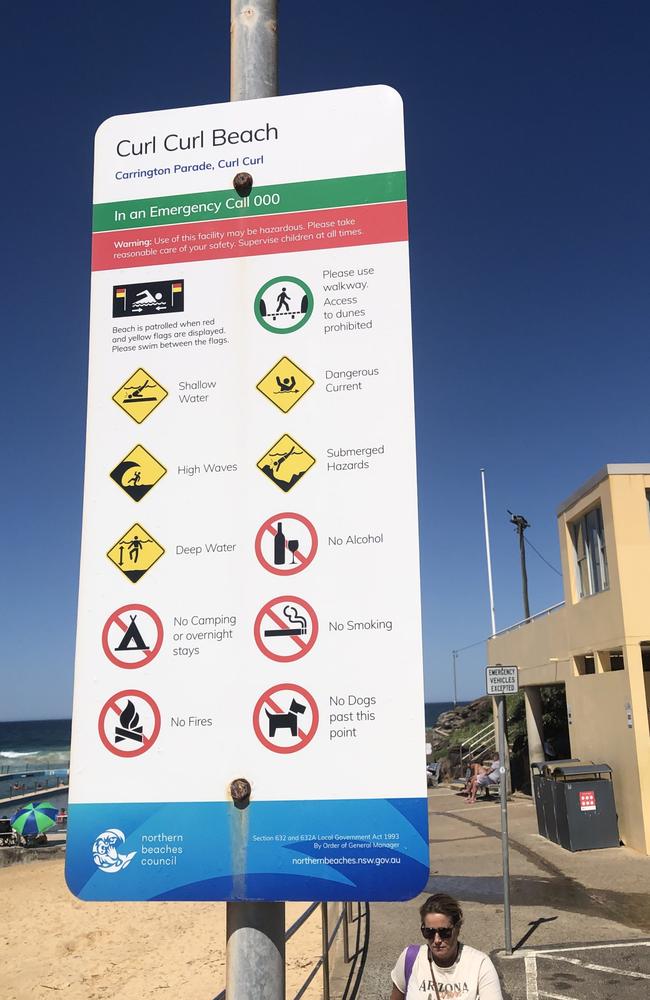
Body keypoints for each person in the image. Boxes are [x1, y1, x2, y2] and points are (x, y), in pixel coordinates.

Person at [390, 893, 503, 1000]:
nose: (437, 940)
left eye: (444, 932)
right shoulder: (410, 958)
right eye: (429, 932)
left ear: (457, 930)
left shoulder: (480, 965)